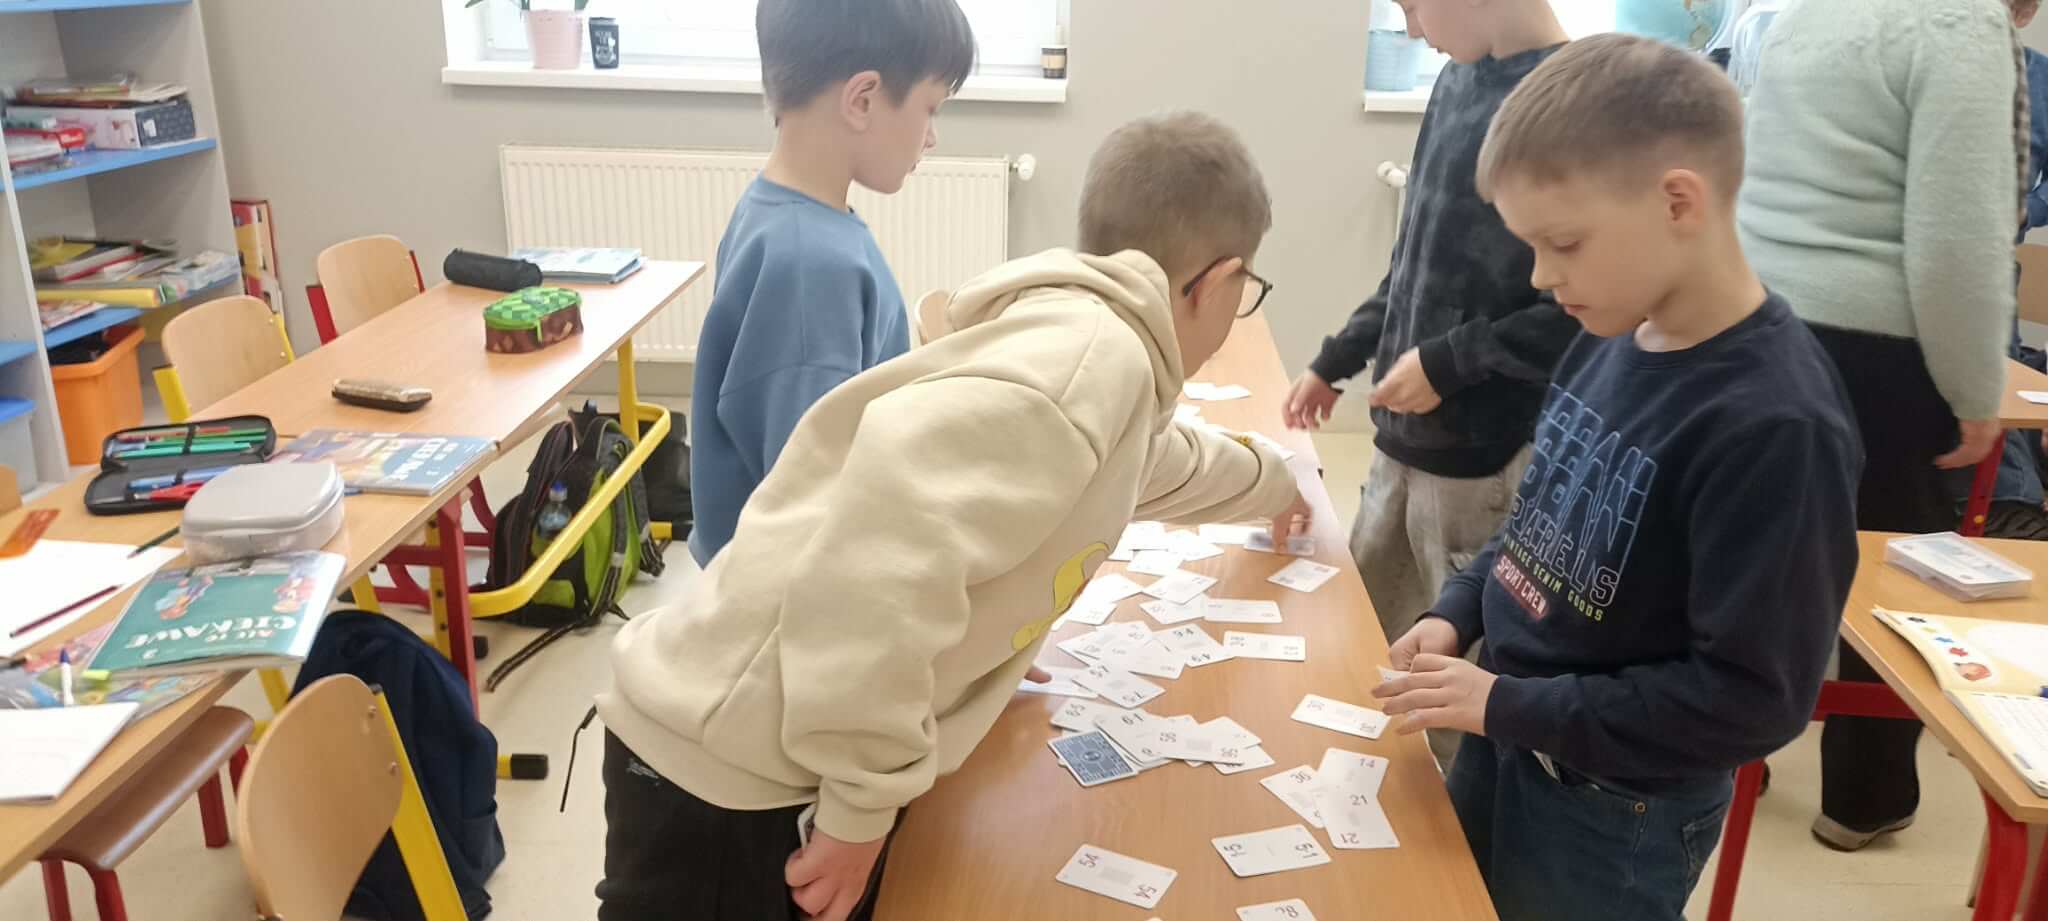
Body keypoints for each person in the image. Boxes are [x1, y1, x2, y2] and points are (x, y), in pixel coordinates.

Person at [594, 112, 1312, 921]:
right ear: (1218, 281)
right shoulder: (1086, 367)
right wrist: (862, 802)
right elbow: (882, 549)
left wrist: (1275, 483)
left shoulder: (1092, 346)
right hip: (730, 768)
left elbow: (1153, 461)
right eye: (1245, 294)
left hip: (771, 733)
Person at [1373, 35, 1863, 921]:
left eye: (1561, 242)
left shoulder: (1777, 427)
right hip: (1508, 737)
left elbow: (1751, 702)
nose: (1540, 276)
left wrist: (1512, 703)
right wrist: (1458, 611)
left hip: (1612, 811)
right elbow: (1537, 526)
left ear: (1678, 201)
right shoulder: (1605, 334)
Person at [1739, 0, 2025, 851]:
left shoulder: (1805, 14)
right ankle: (1864, 796)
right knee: (1895, 575)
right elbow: (1960, 236)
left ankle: (1731, 750)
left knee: (1758, 551)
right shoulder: (1958, 25)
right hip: (1878, 349)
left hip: (1762, 321)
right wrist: (1975, 388)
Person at [1280, 0, 1578, 766]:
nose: (1410, 28)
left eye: (1413, 5)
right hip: (1402, 444)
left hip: (1482, 461)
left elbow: (1573, 313)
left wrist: (1450, 363)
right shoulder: (1455, 80)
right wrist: (1339, 357)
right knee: (1363, 645)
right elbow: (1413, 261)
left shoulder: (1574, 103)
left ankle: (1444, 822)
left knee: (1449, 688)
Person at [686, 0, 974, 567]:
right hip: (791, 591)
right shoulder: (811, 265)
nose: (932, 137)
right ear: (862, 99)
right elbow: (809, 502)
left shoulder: (776, 211)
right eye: (930, 108)